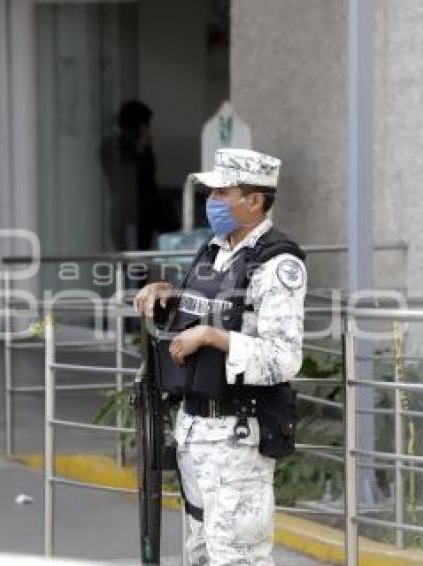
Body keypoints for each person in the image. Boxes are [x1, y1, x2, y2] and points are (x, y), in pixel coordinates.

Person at [133, 148, 307, 565]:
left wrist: (215, 338)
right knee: (199, 554)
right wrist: (168, 297)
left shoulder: (277, 263)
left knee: (237, 558)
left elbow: (284, 358)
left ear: (254, 200)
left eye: (221, 192)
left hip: (237, 436)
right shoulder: (214, 250)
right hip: (195, 432)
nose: (211, 201)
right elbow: (209, 310)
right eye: (210, 192)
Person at [99, 100, 160, 251]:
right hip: (129, 215)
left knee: (140, 262)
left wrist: (144, 147)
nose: (147, 130)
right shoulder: (114, 147)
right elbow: (134, 174)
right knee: (134, 263)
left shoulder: (136, 146)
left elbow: (150, 171)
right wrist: (141, 147)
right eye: (144, 125)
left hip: (140, 215)